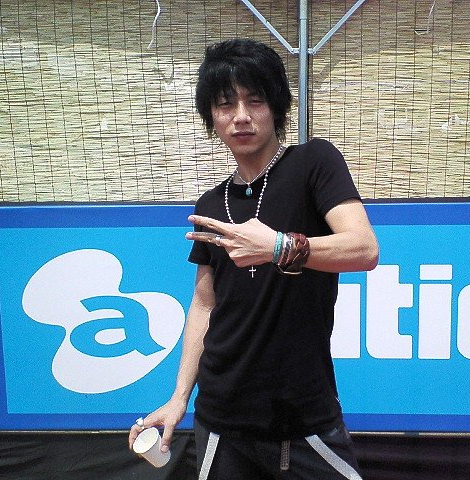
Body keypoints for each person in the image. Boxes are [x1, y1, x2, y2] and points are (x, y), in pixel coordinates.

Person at [129, 38, 379, 479]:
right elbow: (204, 304)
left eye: (255, 100)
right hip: (221, 419)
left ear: (276, 107)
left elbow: (364, 248)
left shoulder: (313, 163)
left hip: (304, 415)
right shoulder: (211, 204)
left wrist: (279, 247)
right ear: (212, 116)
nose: (241, 115)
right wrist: (178, 398)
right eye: (226, 104)